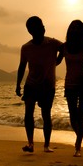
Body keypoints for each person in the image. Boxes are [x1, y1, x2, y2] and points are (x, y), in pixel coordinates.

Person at [16, 16, 63, 153]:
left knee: (46, 114)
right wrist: (18, 85)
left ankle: (46, 145)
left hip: (48, 86)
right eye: (37, 28)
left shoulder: (53, 43)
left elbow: (65, 48)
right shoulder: (26, 48)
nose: (42, 29)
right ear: (30, 31)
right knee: (28, 113)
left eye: (42, 26)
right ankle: (30, 144)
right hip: (31, 85)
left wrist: (57, 60)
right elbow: (21, 66)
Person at [61, 20, 83, 157]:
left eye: (78, 28)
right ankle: (78, 137)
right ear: (69, 30)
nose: (75, 29)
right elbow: (55, 61)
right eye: (72, 27)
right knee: (73, 117)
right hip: (70, 84)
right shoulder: (64, 47)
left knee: (80, 115)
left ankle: (78, 145)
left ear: (82, 31)